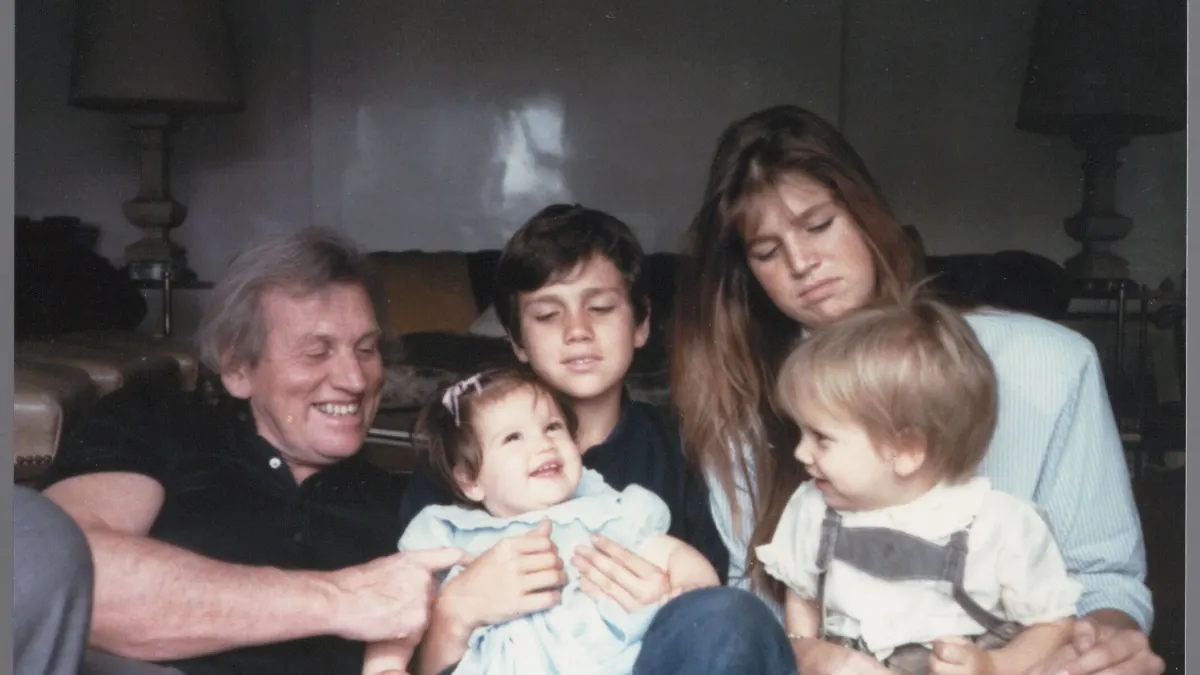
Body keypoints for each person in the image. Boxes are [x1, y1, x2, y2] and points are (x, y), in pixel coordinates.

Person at [671, 104, 1164, 675]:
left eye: (818, 225)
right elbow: (752, 600)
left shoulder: (1049, 362)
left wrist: (1101, 648)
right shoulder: (741, 405)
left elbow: (1103, 581)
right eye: (766, 251)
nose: (802, 262)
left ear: (867, 212)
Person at [39, 228, 464, 675]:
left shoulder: (410, 503)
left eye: (366, 349)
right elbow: (67, 578)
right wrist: (340, 599)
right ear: (237, 367)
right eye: (317, 352)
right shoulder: (156, 423)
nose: (355, 380)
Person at [400, 203, 792, 675]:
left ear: (642, 323)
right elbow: (401, 651)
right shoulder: (456, 464)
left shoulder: (683, 451)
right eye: (547, 315)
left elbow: (714, 610)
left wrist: (673, 605)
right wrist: (456, 612)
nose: (578, 331)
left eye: (601, 307)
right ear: (517, 341)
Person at [757, 291, 1082, 675]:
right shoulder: (812, 507)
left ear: (907, 449)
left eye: (821, 438)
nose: (801, 453)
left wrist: (995, 666)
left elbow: (1055, 623)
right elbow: (804, 595)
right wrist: (805, 650)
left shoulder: (998, 525)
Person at [368, 368, 719, 675]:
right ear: (470, 481)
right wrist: (385, 665)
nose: (543, 445)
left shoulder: (605, 512)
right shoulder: (450, 534)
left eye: (552, 427)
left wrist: (691, 590)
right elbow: (400, 604)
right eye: (513, 438)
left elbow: (673, 554)